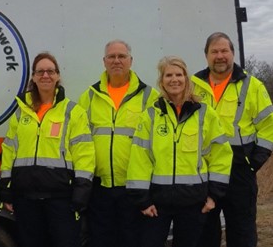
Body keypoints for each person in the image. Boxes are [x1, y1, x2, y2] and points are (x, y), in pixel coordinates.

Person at [127, 56, 233, 247]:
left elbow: (220, 154)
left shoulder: (205, 113)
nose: (174, 79)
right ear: (161, 81)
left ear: (186, 78)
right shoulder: (151, 115)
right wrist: (142, 199)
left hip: (194, 203)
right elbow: (140, 157)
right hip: (157, 203)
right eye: (168, 75)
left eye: (179, 74)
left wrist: (213, 196)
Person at [0, 52, 95, 247]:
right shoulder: (21, 111)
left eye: (50, 71)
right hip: (26, 199)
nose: (45, 75)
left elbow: (84, 153)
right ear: (33, 77)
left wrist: (81, 191)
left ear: (58, 76)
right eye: (40, 71)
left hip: (62, 199)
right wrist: (6, 189)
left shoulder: (72, 111)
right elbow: (9, 151)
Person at [193, 32, 273, 247]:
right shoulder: (193, 85)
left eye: (224, 51)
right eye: (214, 51)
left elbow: (268, 126)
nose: (220, 56)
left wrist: (253, 162)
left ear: (233, 53)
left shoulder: (252, 86)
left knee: (242, 231)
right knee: (205, 232)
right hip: (204, 172)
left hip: (239, 171)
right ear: (206, 56)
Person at [77, 40, 158, 247]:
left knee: (132, 240)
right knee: (101, 240)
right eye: (111, 57)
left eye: (122, 56)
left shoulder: (149, 97)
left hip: (134, 187)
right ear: (104, 62)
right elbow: (78, 140)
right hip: (99, 187)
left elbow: (159, 143)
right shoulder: (89, 96)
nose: (116, 61)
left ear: (131, 61)